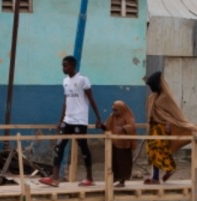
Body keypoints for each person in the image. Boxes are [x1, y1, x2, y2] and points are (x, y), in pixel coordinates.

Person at [39, 55, 104, 187]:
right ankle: (55, 178)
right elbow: (66, 101)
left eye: (66, 65)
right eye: (62, 65)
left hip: (80, 120)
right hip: (68, 120)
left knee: (84, 148)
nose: (63, 68)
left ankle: (89, 178)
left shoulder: (82, 80)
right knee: (59, 147)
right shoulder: (65, 82)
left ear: (73, 66)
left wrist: (98, 118)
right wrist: (61, 119)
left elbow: (91, 99)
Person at [144, 71, 197, 184]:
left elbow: (173, 113)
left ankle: (164, 172)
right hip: (154, 127)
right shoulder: (153, 97)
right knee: (152, 150)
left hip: (162, 128)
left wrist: (169, 123)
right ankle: (157, 176)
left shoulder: (165, 97)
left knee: (160, 149)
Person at [104, 100, 137, 187]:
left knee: (123, 163)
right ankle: (114, 179)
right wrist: (101, 126)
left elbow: (132, 126)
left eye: (116, 110)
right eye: (113, 110)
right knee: (114, 162)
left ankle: (122, 181)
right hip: (114, 144)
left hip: (124, 145)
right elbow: (107, 127)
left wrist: (123, 128)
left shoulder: (127, 116)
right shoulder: (112, 117)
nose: (114, 112)